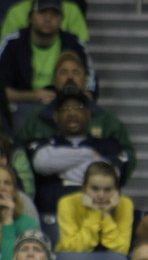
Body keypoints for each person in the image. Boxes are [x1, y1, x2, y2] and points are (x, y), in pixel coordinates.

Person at [28, 86, 131, 214]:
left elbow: (111, 174)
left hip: (98, 212)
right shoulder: (42, 143)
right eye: (65, 108)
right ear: (55, 116)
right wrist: (90, 155)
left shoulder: (109, 145)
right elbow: (41, 163)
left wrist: (59, 168)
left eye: (78, 108)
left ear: (88, 114)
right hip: (52, 214)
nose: (72, 113)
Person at [0, 0, 96, 115]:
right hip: (20, 108)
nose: (48, 18)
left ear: (61, 19)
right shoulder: (12, 43)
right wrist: (31, 96)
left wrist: (64, 99)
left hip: (63, 108)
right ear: (31, 16)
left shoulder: (75, 44)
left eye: (54, 14)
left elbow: (90, 90)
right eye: (42, 12)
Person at [56, 160, 134, 254]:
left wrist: (106, 215)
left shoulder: (125, 204)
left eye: (107, 190)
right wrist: (94, 213)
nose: (101, 195)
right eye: (95, 189)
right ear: (84, 187)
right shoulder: (68, 203)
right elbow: (71, 250)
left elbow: (121, 251)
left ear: (116, 190)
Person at [0, 162, 36, 260]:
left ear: (14, 190)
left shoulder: (28, 225)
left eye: (7, 183)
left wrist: (7, 222)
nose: (2, 188)